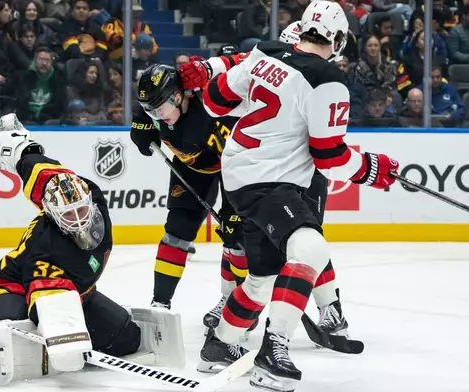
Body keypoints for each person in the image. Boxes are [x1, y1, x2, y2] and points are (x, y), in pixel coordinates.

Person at [193, 2, 399, 390]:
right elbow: (329, 155)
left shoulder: (266, 50)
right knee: (310, 249)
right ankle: (273, 353)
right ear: (338, 40)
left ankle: (220, 345)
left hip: (237, 173)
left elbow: (214, 100)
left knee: (263, 277)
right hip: (271, 181)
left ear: (301, 28)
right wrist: (373, 168)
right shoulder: (328, 77)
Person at [0, 114, 184, 385]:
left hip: (80, 292)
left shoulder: (91, 196)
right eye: (68, 214)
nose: (78, 219)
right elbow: (46, 298)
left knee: (127, 339)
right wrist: (67, 338)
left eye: (80, 209)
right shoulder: (46, 247)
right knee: (12, 334)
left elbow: (45, 172)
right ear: (52, 213)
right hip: (15, 288)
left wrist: (20, 150)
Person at [178, 19, 354, 359]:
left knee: (291, 252)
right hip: (276, 168)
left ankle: (328, 308)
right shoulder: (296, 57)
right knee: (306, 242)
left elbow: (244, 63)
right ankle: (279, 340)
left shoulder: (290, 58)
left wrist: (210, 67)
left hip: (281, 167)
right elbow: (246, 61)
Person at [130, 64, 248, 338]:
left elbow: (241, 154)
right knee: (176, 231)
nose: (156, 116)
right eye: (150, 109)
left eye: (159, 109)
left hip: (234, 168)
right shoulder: (157, 105)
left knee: (236, 239)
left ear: (178, 96)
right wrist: (141, 125)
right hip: (191, 168)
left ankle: (238, 305)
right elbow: (147, 113)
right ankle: (160, 302)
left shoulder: (208, 112)